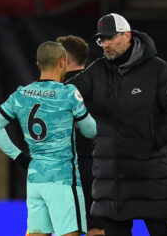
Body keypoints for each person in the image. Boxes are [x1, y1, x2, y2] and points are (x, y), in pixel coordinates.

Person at [67, 13, 167, 236]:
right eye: (101, 40)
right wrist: (44, 92)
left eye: (110, 38)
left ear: (127, 35)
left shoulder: (159, 70)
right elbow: (67, 94)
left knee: (160, 231)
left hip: (150, 175)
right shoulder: (97, 70)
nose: (105, 44)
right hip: (112, 179)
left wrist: (150, 143)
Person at [0, 41, 97, 236]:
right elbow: (91, 131)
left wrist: (19, 157)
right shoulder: (68, 94)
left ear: (38, 64)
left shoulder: (20, 94)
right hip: (63, 179)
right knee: (70, 233)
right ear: (62, 62)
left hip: (35, 178)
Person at [56, 35, 105, 236]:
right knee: (97, 226)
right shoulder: (101, 86)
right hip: (98, 169)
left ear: (64, 60)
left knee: (67, 227)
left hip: (65, 170)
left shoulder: (57, 90)